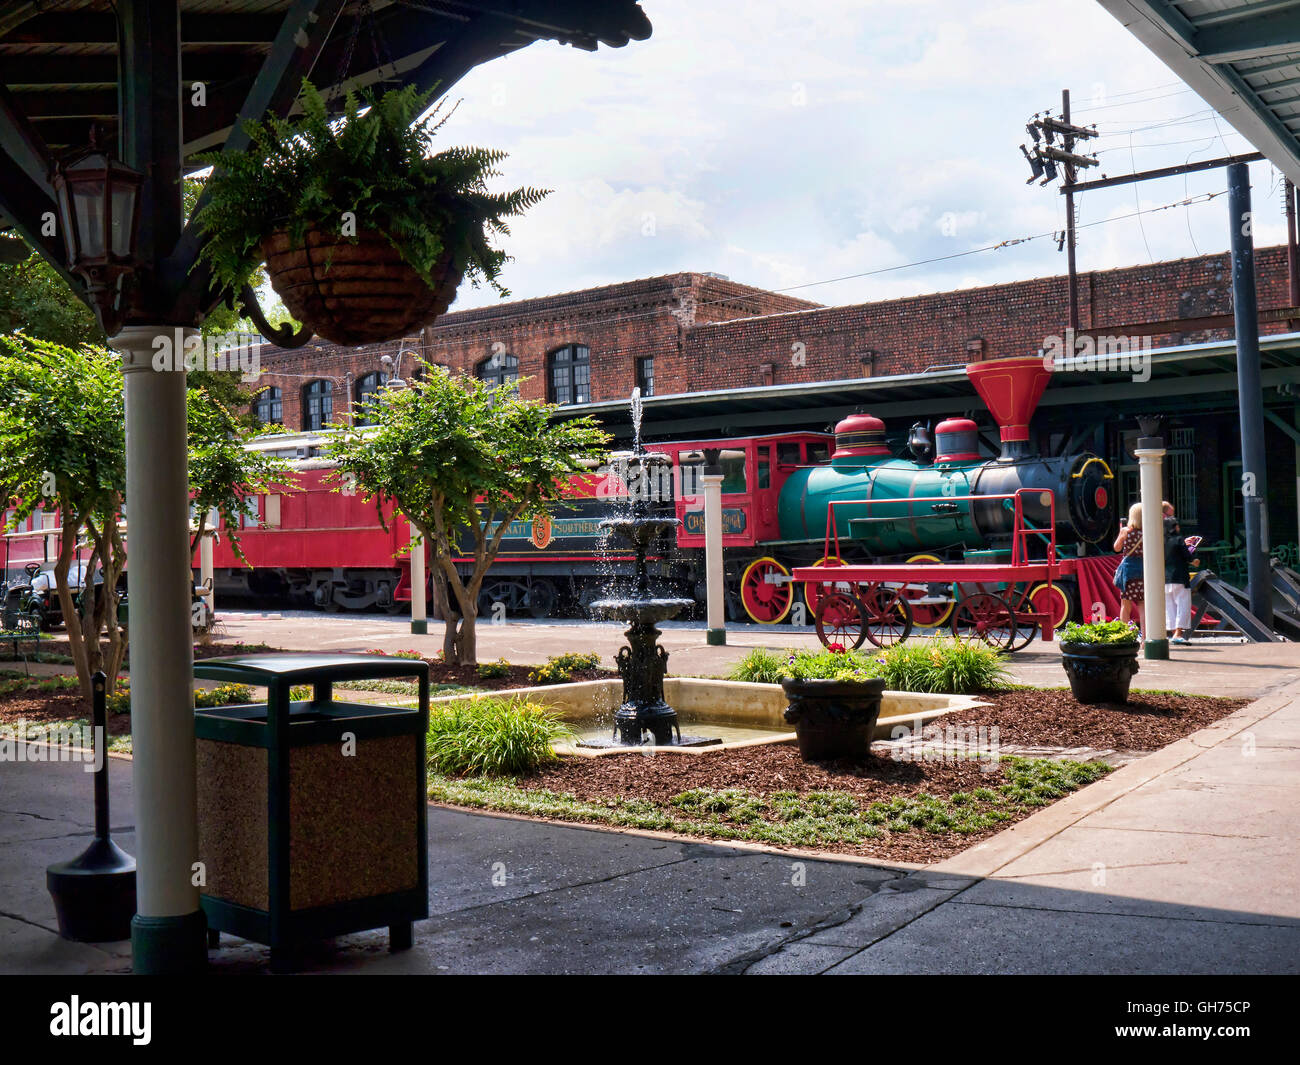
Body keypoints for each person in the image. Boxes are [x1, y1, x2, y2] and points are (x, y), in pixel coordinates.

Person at [1164, 513, 1197, 644]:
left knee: (1169, 606)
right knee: (1183, 604)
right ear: (1175, 527)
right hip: (1180, 577)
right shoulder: (1178, 539)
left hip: (1165, 579)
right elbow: (1188, 557)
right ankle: (1178, 633)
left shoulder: (1160, 541)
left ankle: (1174, 634)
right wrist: (1194, 560)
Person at [1113, 502, 1144, 634]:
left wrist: (1121, 533)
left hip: (1129, 573)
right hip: (1143, 571)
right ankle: (1145, 638)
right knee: (1143, 606)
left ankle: (1123, 635)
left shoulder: (1126, 531)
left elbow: (1116, 548)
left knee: (1126, 606)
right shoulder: (1147, 533)